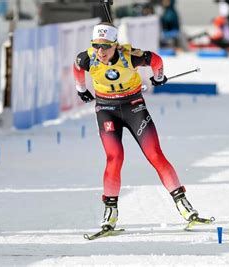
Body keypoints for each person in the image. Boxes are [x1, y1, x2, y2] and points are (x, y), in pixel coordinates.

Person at [72, 22, 201, 231]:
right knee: (115, 157)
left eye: (105, 46)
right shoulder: (87, 58)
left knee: (155, 155)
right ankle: (110, 212)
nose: (100, 51)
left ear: (115, 44)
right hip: (106, 109)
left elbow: (156, 59)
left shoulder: (130, 56)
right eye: (96, 45)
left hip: (134, 107)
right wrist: (81, 89)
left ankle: (183, 204)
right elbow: (77, 66)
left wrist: (158, 77)